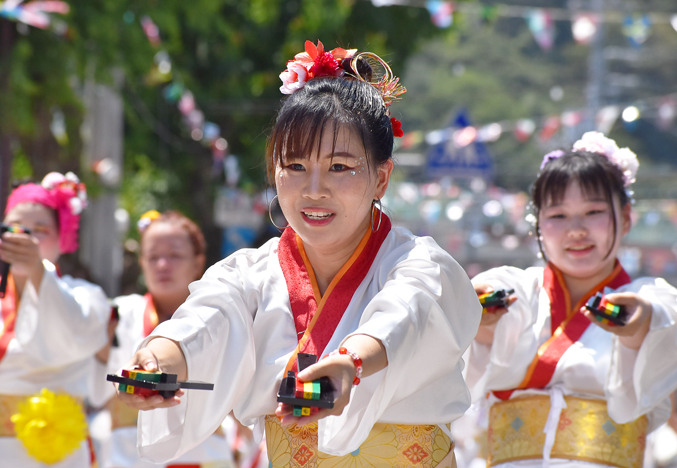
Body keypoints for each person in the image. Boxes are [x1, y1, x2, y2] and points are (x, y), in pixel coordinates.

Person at [113, 40, 481, 468]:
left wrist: (350, 363)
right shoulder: (249, 273)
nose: (313, 190)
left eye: (340, 167)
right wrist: (162, 356)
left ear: (382, 178)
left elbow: (405, 314)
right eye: (295, 166)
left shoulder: (418, 265)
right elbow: (207, 318)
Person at [466, 132, 677, 467]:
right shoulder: (519, 290)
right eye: (559, 216)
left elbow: (662, 317)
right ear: (538, 225)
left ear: (625, 217)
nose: (576, 230)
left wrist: (640, 328)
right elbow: (488, 301)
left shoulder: (650, 296)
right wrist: (480, 318)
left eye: (593, 212)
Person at [0, 172, 110, 468]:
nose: (27, 238)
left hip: (60, 455)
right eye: (16, 228)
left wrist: (37, 270)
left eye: (40, 230)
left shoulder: (87, 296)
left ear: (62, 238)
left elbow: (70, 340)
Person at [90, 210, 235, 468]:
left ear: (198, 262)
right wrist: (101, 352)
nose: (162, 265)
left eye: (175, 256)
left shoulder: (220, 317)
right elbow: (95, 394)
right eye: (153, 257)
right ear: (142, 263)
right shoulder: (118, 313)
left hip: (203, 453)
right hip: (130, 454)